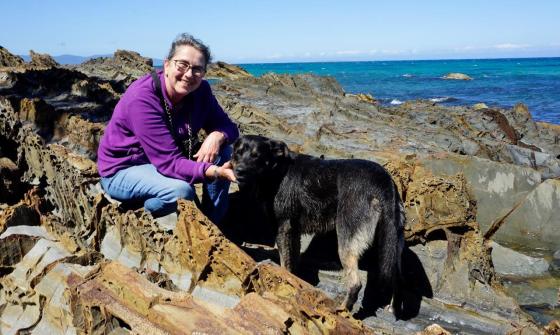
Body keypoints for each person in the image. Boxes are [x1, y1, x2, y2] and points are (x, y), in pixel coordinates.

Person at [97, 33, 238, 223]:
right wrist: (215, 172)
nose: (189, 74)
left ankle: (214, 221)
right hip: (124, 168)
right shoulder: (143, 98)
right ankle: (141, 214)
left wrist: (217, 135)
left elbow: (229, 127)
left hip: (164, 160)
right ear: (166, 65)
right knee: (181, 191)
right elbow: (169, 163)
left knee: (224, 151)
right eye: (182, 65)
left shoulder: (201, 91)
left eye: (197, 69)